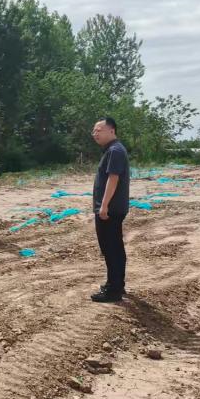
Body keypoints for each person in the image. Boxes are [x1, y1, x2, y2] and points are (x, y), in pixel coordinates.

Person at [90, 117, 130, 303]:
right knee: (114, 248)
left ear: (112, 131)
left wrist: (104, 205)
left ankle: (114, 291)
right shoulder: (113, 150)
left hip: (110, 210)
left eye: (99, 130)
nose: (95, 134)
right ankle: (116, 284)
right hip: (112, 208)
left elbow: (113, 179)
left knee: (111, 248)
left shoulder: (115, 151)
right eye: (94, 131)